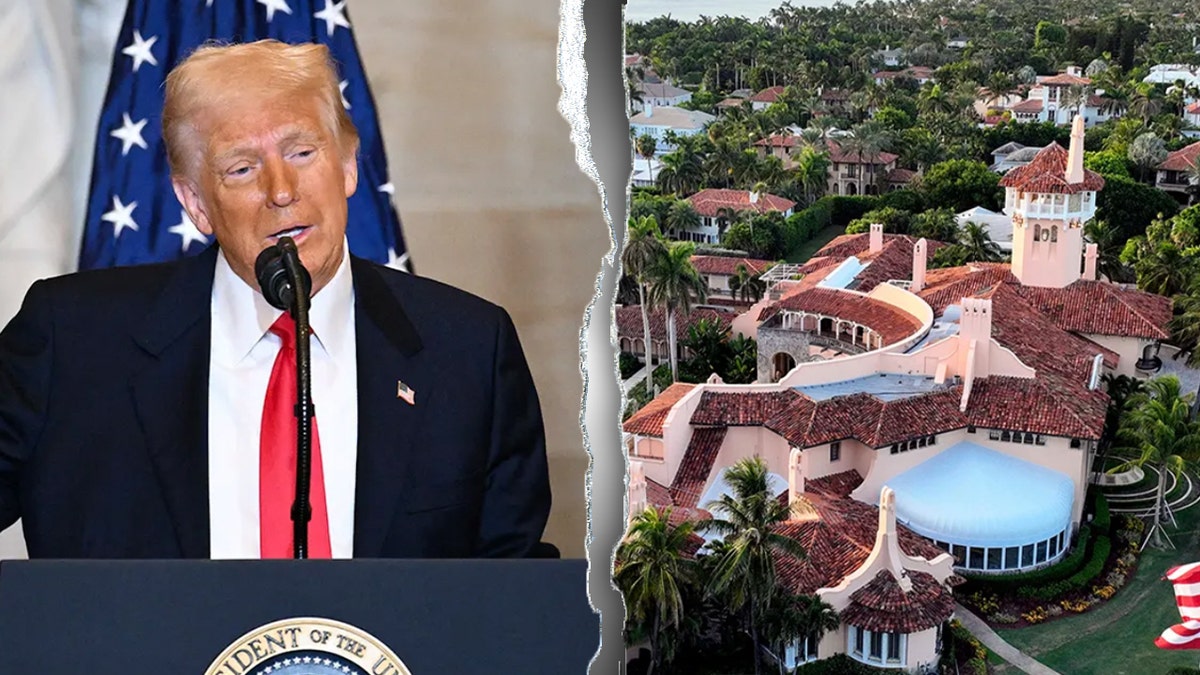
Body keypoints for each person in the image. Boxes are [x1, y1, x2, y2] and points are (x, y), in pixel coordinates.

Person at [0, 39, 551, 559]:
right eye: (242, 168)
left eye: (303, 152)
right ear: (195, 201)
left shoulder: (469, 349)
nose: (282, 190)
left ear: (349, 164)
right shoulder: (71, 341)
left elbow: (511, 592)